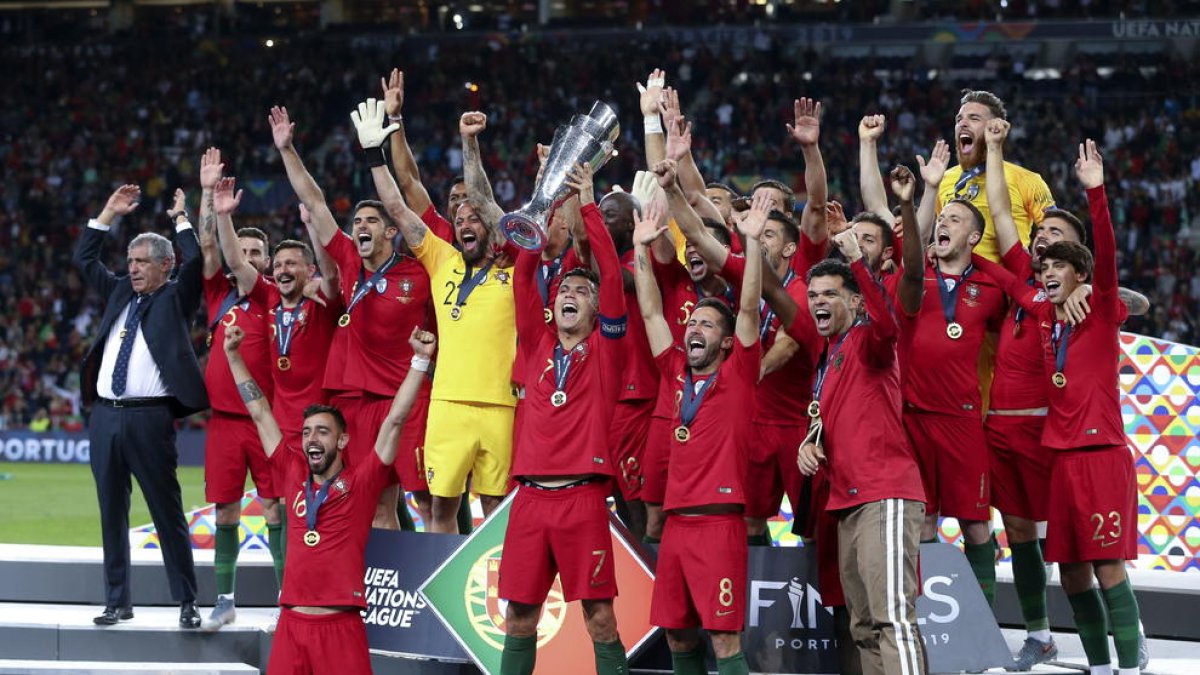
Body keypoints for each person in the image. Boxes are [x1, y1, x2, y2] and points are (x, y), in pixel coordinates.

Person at [971, 140, 1143, 675]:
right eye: (1041, 258)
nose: (1044, 263)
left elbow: (1111, 266)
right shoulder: (1038, 304)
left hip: (1096, 452)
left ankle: (1132, 661)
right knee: (1069, 569)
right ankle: (1098, 663)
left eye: (1057, 257)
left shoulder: (1098, 308)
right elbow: (998, 244)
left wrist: (1096, 191)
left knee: (1107, 564)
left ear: (1080, 269)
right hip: (1057, 454)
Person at [224, 322, 434, 674]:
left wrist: (419, 362)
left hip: (342, 626)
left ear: (341, 441)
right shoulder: (292, 472)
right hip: (291, 625)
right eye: (306, 432)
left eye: (322, 431)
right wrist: (233, 357)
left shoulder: (362, 482)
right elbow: (260, 411)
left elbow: (395, 421)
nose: (311, 439)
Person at [354, 101, 517, 534]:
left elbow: (483, 197)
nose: (464, 222)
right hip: (446, 404)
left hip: (501, 405)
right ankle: (439, 600)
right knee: (441, 510)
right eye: (458, 218)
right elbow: (399, 206)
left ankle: (495, 597)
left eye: (473, 219)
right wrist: (375, 155)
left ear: (491, 227)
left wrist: (469, 144)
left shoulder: (513, 268)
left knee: (498, 511)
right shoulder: (441, 258)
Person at [270, 104, 433, 530]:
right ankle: (387, 593)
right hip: (353, 404)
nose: (359, 227)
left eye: (370, 221)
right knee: (375, 505)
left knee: (430, 503)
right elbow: (315, 200)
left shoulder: (419, 271)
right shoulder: (347, 261)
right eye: (356, 221)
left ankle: (433, 592)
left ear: (391, 231)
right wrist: (288, 150)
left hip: (405, 400)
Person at [499, 162, 630, 675]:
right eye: (564, 293)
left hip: (583, 498)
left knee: (599, 618)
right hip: (530, 499)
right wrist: (544, 205)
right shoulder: (536, 344)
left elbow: (613, 275)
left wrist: (590, 205)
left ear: (598, 309)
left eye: (580, 292)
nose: (568, 295)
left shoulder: (607, 350)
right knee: (518, 619)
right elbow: (524, 274)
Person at [635, 162, 766, 675]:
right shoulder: (674, 372)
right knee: (678, 634)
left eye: (709, 325)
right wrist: (643, 248)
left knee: (723, 638)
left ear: (728, 342)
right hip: (675, 525)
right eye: (693, 321)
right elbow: (650, 313)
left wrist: (751, 244)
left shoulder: (738, 375)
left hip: (719, 524)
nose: (694, 328)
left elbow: (751, 308)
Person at [794, 225, 927, 675]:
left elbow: (888, 322)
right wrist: (808, 448)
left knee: (891, 618)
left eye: (829, 294)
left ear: (854, 300)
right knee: (864, 625)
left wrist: (856, 261)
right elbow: (835, 422)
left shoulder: (871, 341)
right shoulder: (829, 358)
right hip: (846, 500)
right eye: (812, 295)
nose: (817, 303)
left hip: (884, 494)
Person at [73, 184, 204, 629]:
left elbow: (198, 262)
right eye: (129, 262)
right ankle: (117, 601)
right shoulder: (118, 293)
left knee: (166, 511)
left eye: (141, 261)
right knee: (111, 511)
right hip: (106, 415)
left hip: (151, 417)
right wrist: (107, 211)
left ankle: (186, 601)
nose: (131, 269)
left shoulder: (176, 296)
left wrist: (182, 219)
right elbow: (83, 259)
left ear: (166, 265)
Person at [197, 151, 285, 629]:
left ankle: (285, 601)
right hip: (225, 424)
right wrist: (209, 195)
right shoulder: (218, 295)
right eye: (243, 252)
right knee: (226, 509)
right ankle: (225, 600)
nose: (246, 259)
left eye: (255, 254)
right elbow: (212, 247)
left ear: (266, 261)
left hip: (267, 422)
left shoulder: (276, 296)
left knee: (275, 508)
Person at [932, 89, 1057, 263]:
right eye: (959, 119)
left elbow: (1057, 234)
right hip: (955, 286)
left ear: (996, 126)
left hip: (1005, 285)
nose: (963, 124)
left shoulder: (1028, 180)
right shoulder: (943, 179)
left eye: (974, 118)